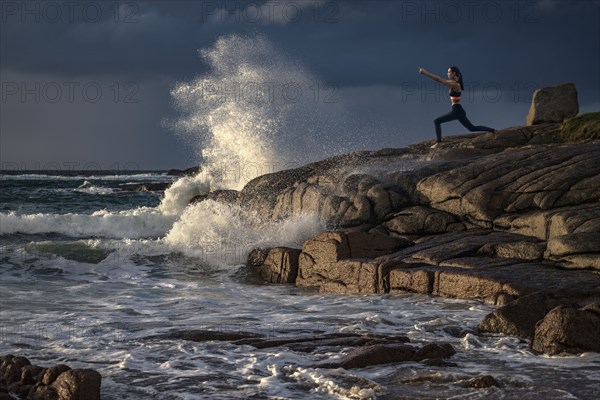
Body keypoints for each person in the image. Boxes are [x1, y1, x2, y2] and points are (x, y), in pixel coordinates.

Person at [418, 66, 496, 147]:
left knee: (437, 121)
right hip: (459, 111)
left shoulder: (455, 84)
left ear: (454, 73)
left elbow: (439, 79)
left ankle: (438, 143)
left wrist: (425, 72)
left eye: (449, 72)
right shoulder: (454, 82)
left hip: (457, 111)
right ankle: (493, 131)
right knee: (472, 128)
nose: (447, 73)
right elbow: (441, 80)